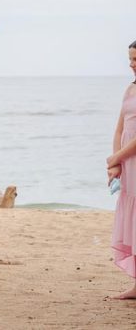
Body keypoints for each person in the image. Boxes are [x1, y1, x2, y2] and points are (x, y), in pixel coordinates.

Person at [107, 40, 136, 299]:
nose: (132, 64)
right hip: (129, 164)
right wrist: (116, 163)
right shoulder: (130, 89)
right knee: (131, 220)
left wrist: (116, 156)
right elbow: (120, 128)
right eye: (130, 59)